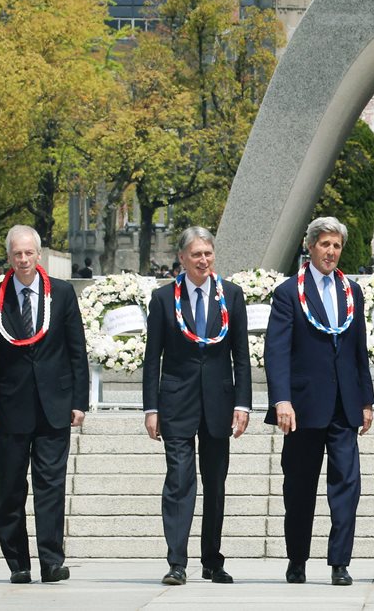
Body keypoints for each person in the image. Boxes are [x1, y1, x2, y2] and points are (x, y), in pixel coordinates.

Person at [0, 225, 90, 585]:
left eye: (29, 253)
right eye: (17, 254)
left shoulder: (64, 294)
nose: (23, 260)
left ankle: (52, 561)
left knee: (50, 486)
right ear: (9, 257)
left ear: (39, 255)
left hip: (54, 404)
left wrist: (79, 401)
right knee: (10, 487)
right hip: (10, 408)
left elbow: (76, 351)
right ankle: (17, 562)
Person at [265, 217, 374, 586]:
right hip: (303, 407)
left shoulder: (352, 290)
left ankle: (339, 562)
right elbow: (277, 351)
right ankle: (297, 558)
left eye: (337, 246)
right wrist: (281, 399)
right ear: (310, 246)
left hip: (345, 404)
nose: (331, 252)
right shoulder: (288, 292)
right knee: (299, 488)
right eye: (325, 244)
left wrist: (366, 400)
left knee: (347, 485)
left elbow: (358, 348)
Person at [143, 226, 251, 586]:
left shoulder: (231, 295)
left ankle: (212, 559)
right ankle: (176, 561)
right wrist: (150, 409)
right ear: (182, 258)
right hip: (176, 402)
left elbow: (241, 355)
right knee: (179, 480)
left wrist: (243, 404)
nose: (203, 260)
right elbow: (152, 357)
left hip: (219, 402)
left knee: (216, 483)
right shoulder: (163, 299)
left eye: (208, 253)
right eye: (196, 254)